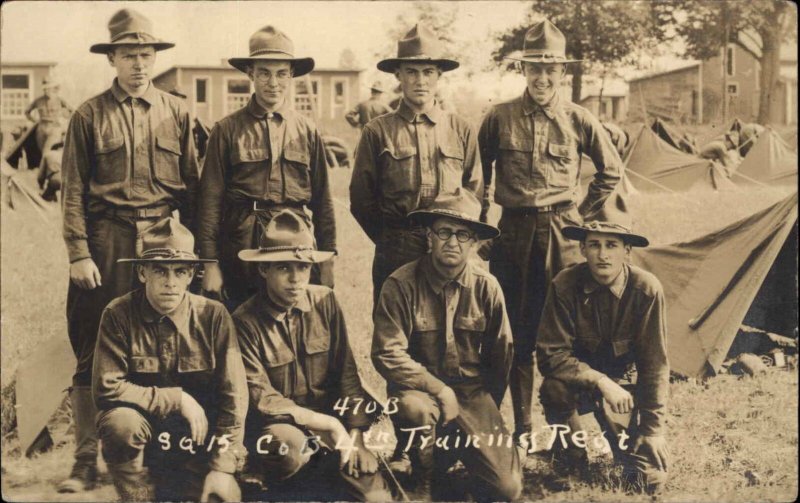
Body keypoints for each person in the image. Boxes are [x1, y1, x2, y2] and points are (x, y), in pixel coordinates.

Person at [59, 8, 200, 493]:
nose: (138, 64)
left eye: (145, 55)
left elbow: (195, 190)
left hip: (164, 242)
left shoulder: (178, 112)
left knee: (163, 343)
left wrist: (195, 258)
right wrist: (79, 252)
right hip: (108, 241)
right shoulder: (88, 115)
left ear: (154, 57)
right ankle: (83, 461)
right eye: (128, 55)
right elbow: (73, 191)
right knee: (92, 347)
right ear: (112, 59)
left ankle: (151, 452)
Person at [478, 19, 622, 447]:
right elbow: (476, 176)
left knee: (566, 331)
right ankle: (523, 430)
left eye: (551, 69)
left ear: (562, 72)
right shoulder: (498, 118)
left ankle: (567, 429)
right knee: (516, 333)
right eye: (534, 68)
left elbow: (610, 172)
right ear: (522, 69)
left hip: (562, 232)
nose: (542, 77)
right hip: (513, 233)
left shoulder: (578, 119)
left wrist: (580, 217)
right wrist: (484, 227)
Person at [372, 189, 522, 501]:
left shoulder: (487, 287)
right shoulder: (400, 284)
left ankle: (456, 458)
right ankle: (424, 478)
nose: (452, 242)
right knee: (413, 409)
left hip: (472, 392)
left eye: (462, 234)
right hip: (420, 393)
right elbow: (387, 353)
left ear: (475, 243)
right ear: (429, 236)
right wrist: (439, 389)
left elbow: (501, 355)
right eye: (443, 232)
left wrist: (485, 410)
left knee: (507, 489)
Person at [233, 210, 392, 501]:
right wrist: (326, 424)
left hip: (335, 426)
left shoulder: (325, 301)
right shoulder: (244, 320)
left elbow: (347, 374)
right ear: (263, 270)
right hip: (282, 427)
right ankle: (287, 485)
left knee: (375, 498)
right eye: (284, 268)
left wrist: (356, 437)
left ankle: (326, 476)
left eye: (303, 268)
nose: (296, 279)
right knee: (289, 449)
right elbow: (262, 397)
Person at [93, 218, 248, 501]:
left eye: (180, 272)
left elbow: (234, 396)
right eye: (160, 271)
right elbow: (107, 387)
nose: (170, 282)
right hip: (145, 432)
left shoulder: (213, 316)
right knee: (119, 425)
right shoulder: (118, 314)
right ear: (142, 272)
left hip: (199, 438)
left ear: (191, 275)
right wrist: (176, 399)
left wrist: (223, 467)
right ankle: (135, 495)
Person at [536, 193, 669, 494]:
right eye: (594, 244)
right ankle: (572, 455)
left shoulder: (646, 290)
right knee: (553, 387)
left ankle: (626, 447)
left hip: (626, 390)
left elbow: (655, 365)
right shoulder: (564, 285)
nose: (602, 254)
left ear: (627, 251)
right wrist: (599, 381)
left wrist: (653, 429)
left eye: (612, 245)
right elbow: (550, 354)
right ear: (582, 248)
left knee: (647, 481)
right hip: (582, 384)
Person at [198, 25, 336, 311]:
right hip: (241, 242)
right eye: (264, 73)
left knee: (291, 325)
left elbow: (323, 200)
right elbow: (209, 201)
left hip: (294, 243)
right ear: (251, 74)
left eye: (282, 73)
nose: (273, 83)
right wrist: (210, 262)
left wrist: (329, 257)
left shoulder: (307, 130)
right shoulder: (226, 130)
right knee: (241, 322)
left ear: (292, 75)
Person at [349, 23, 482, 311]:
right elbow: (361, 199)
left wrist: (455, 237)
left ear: (439, 76)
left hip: (450, 246)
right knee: (394, 330)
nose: (420, 80)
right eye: (411, 71)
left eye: (428, 72)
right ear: (398, 75)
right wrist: (392, 237)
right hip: (397, 246)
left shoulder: (460, 129)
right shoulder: (377, 131)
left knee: (450, 330)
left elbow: (475, 189)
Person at [25, 76, 73, 160]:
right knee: (42, 151)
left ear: (52, 89)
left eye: (48, 88)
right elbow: (27, 112)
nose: (46, 91)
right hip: (41, 128)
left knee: (46, 152)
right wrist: (34, 120)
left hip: (55, 127)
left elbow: (72, 111)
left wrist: (64, 118)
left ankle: (44, 171)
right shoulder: (38, 101)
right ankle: (47, 171)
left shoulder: (59, 100)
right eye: (44, 89)